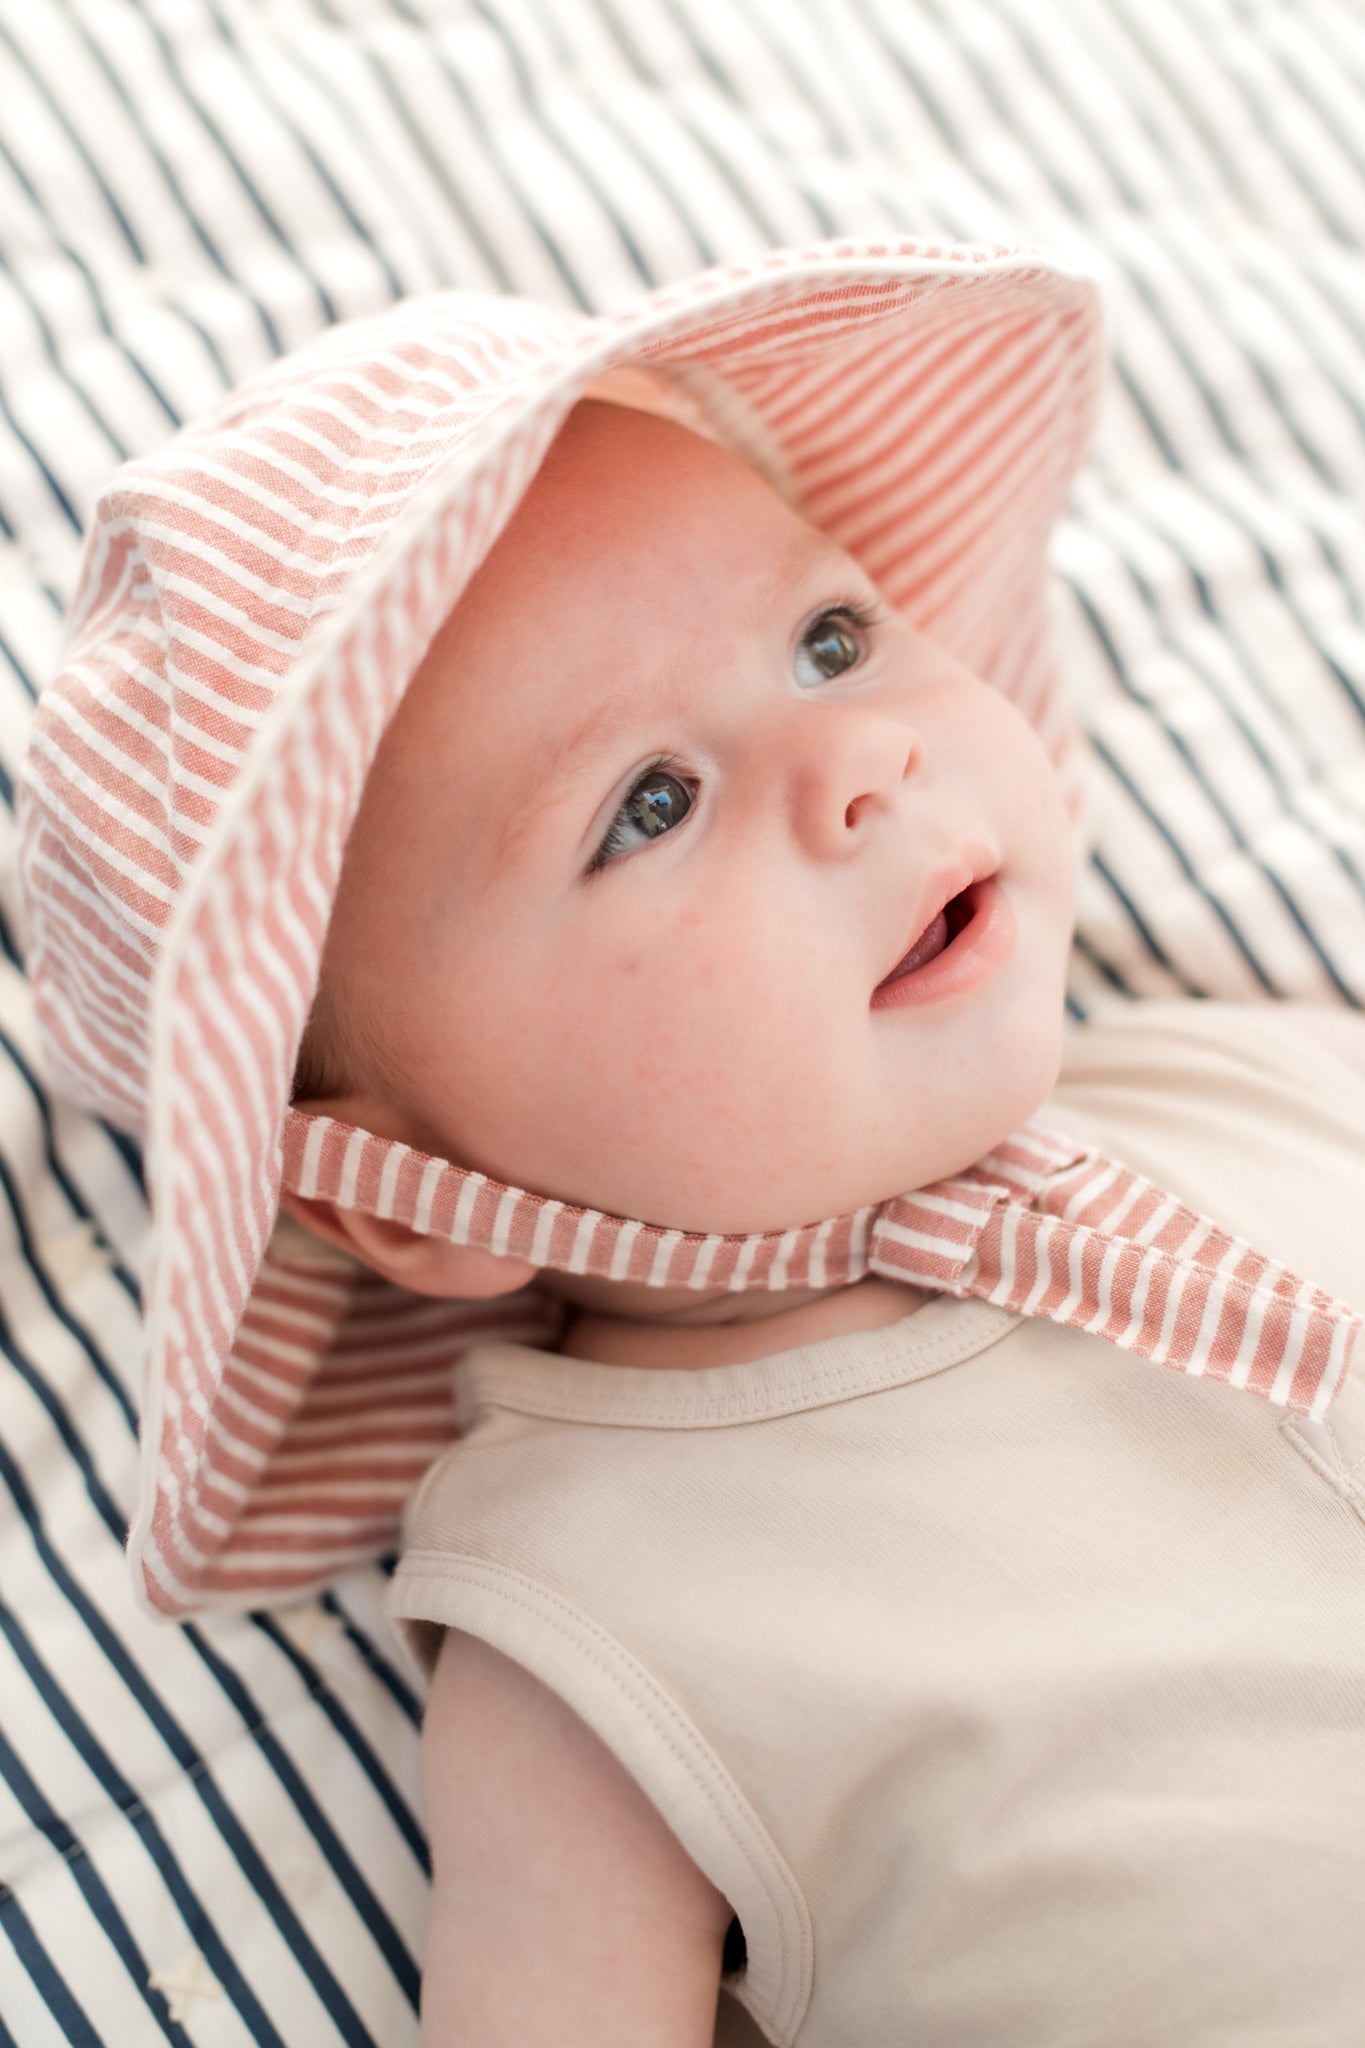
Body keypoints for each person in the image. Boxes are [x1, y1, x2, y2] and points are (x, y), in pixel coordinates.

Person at [17, 241, 1365, 2046]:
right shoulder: (583, 1590)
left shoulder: (1239, 1069)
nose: (863, 759)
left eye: (827, 639)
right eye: (645, 805)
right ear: (409, 1199)